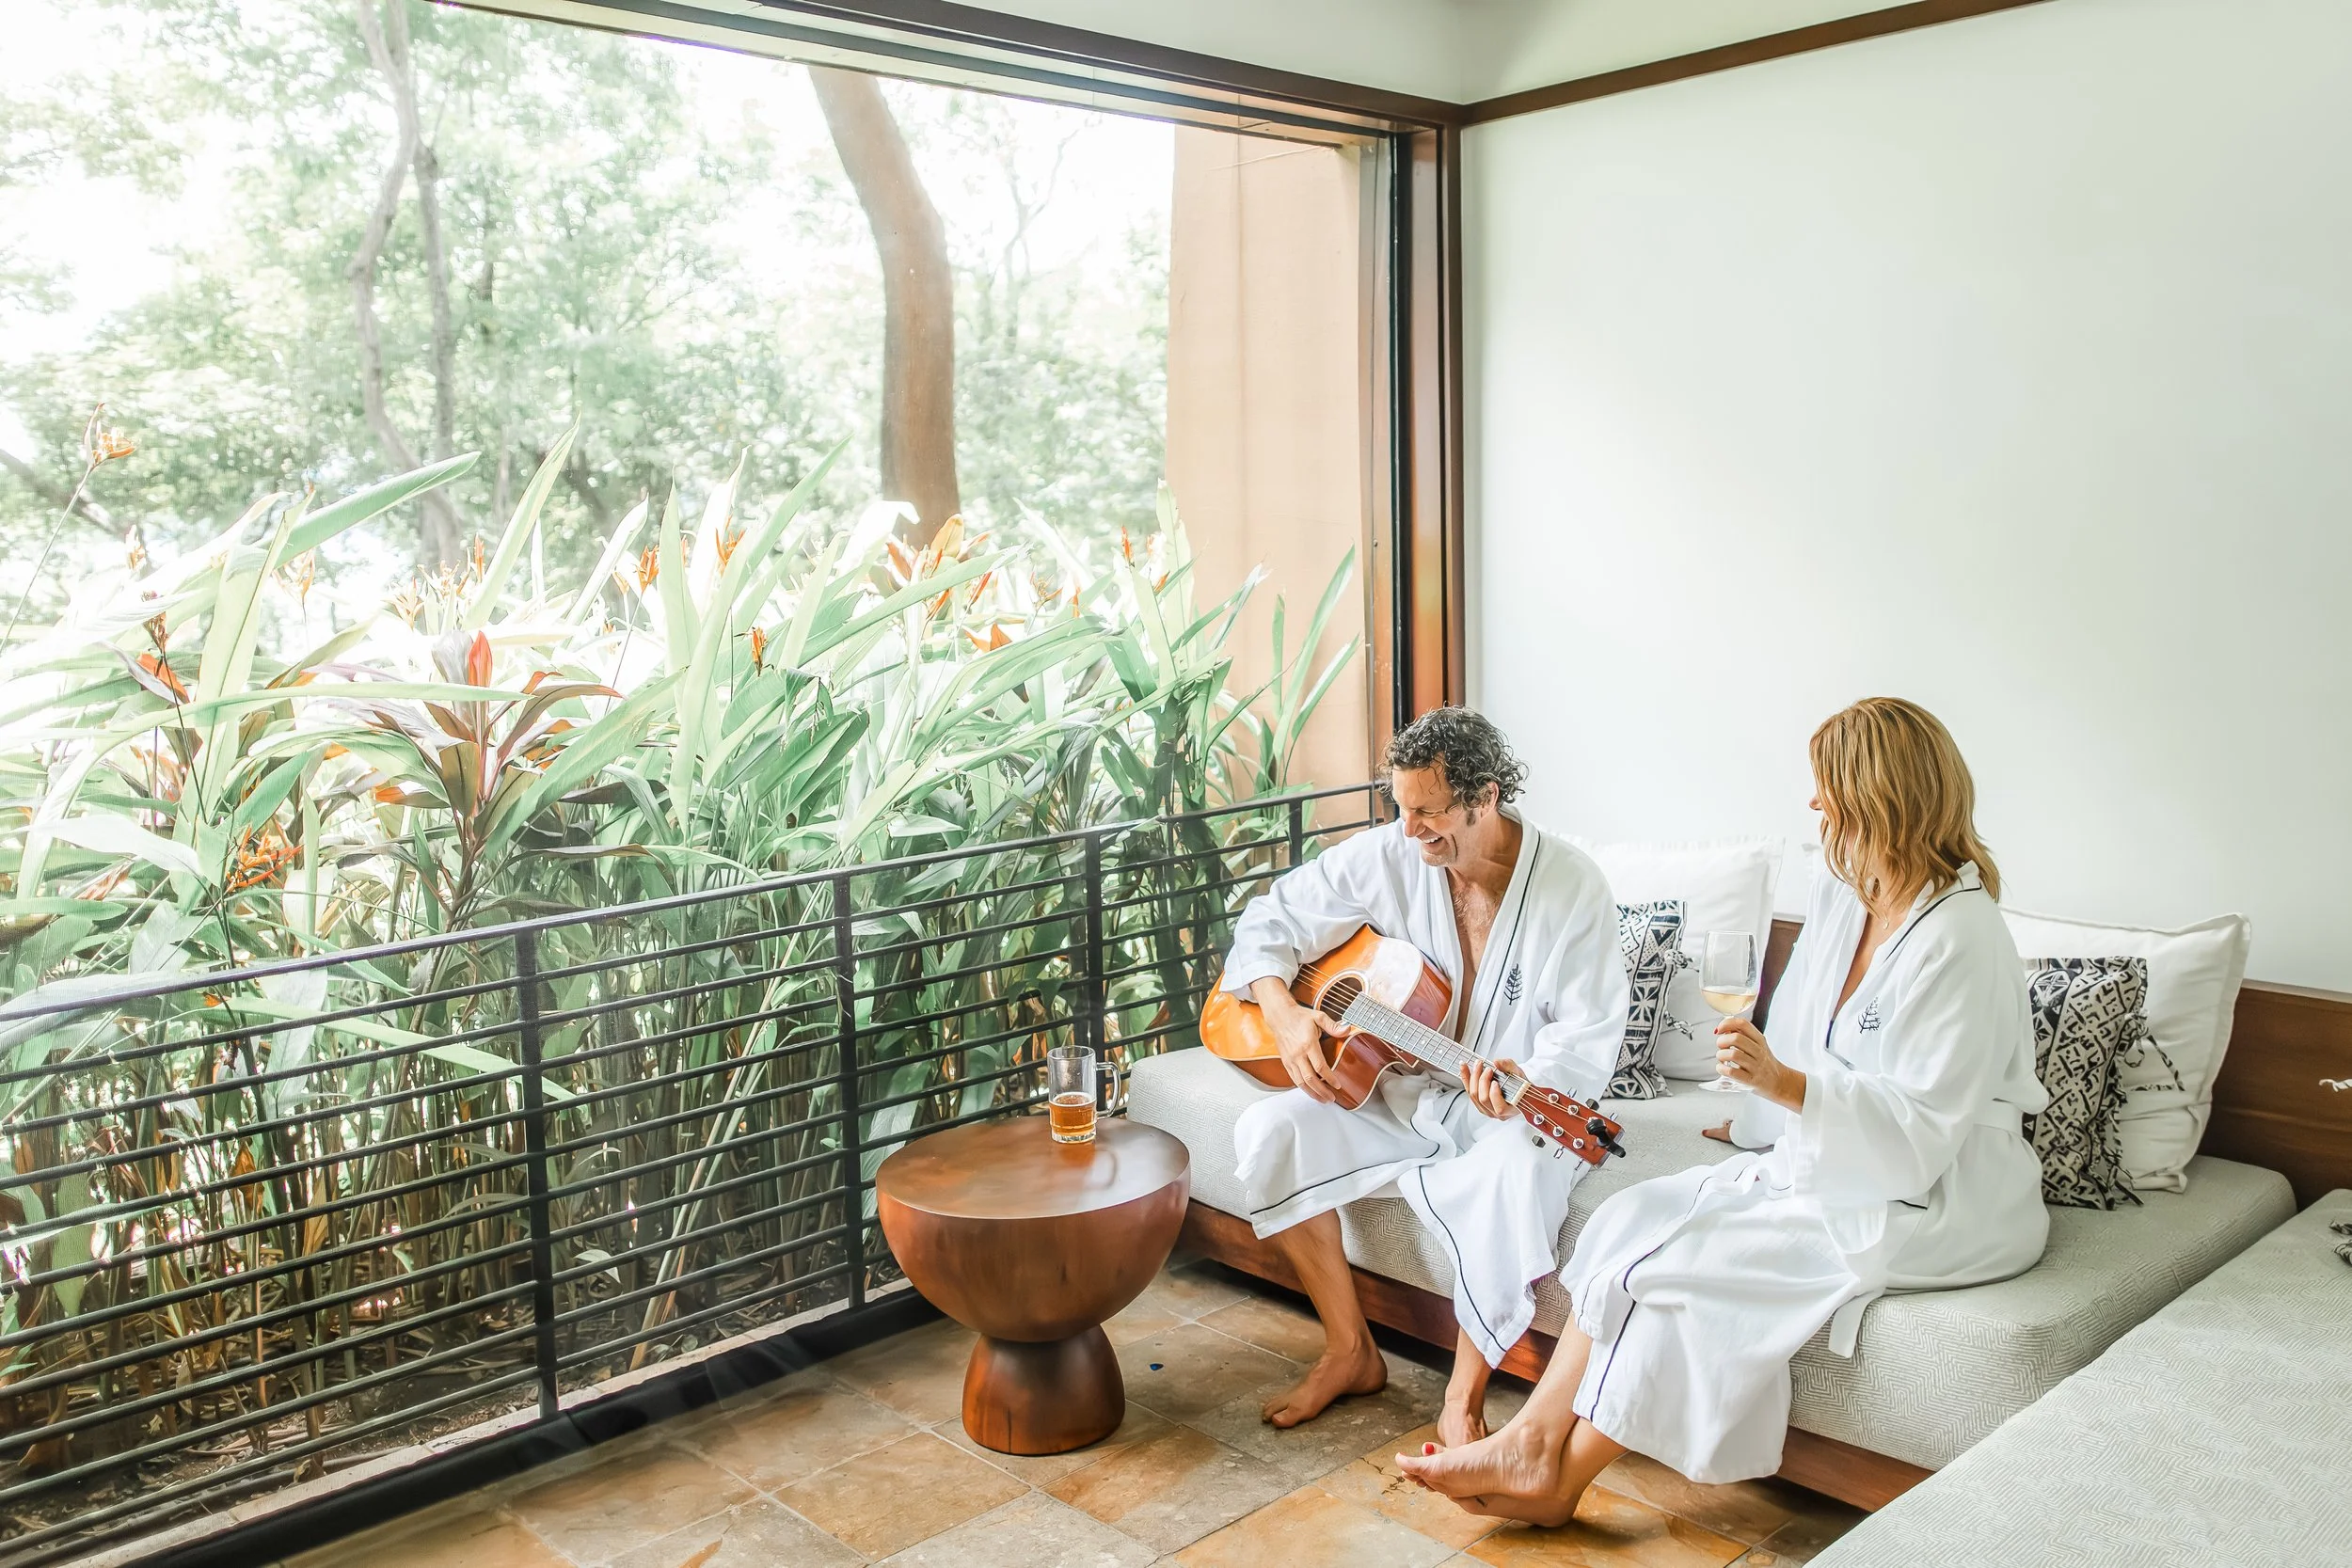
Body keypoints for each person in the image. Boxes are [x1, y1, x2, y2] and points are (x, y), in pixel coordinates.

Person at [1397, 697, 2050, 1522]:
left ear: (1879, 798)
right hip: (1831, 1158)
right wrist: (1757, 1120)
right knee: (1629, 1219)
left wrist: (1787, 1091)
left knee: (1683, 1271)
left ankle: (1551, 1467)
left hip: (1939, 1198)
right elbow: (1801, 1035)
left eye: (1828, 786)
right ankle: (1535, 1445)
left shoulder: (1963, 937)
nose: (1814, 803)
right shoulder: (1850, 895)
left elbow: (1921, 1134)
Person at [1221, 707, 1629, 1448]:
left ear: (1486, 797)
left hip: (1509, 1109)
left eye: (1428, 812)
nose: (1409, 830)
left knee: (1515, 1171)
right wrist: (1284, 1013)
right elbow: (1267, 920)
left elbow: (1586, 1034)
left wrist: (1526, 1079)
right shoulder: (1393, 852)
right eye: (1401, 808)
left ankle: (1462, 1395)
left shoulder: (1572, 888)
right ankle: (1350, 1348)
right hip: (1400, 1089)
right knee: (1271, 1129)